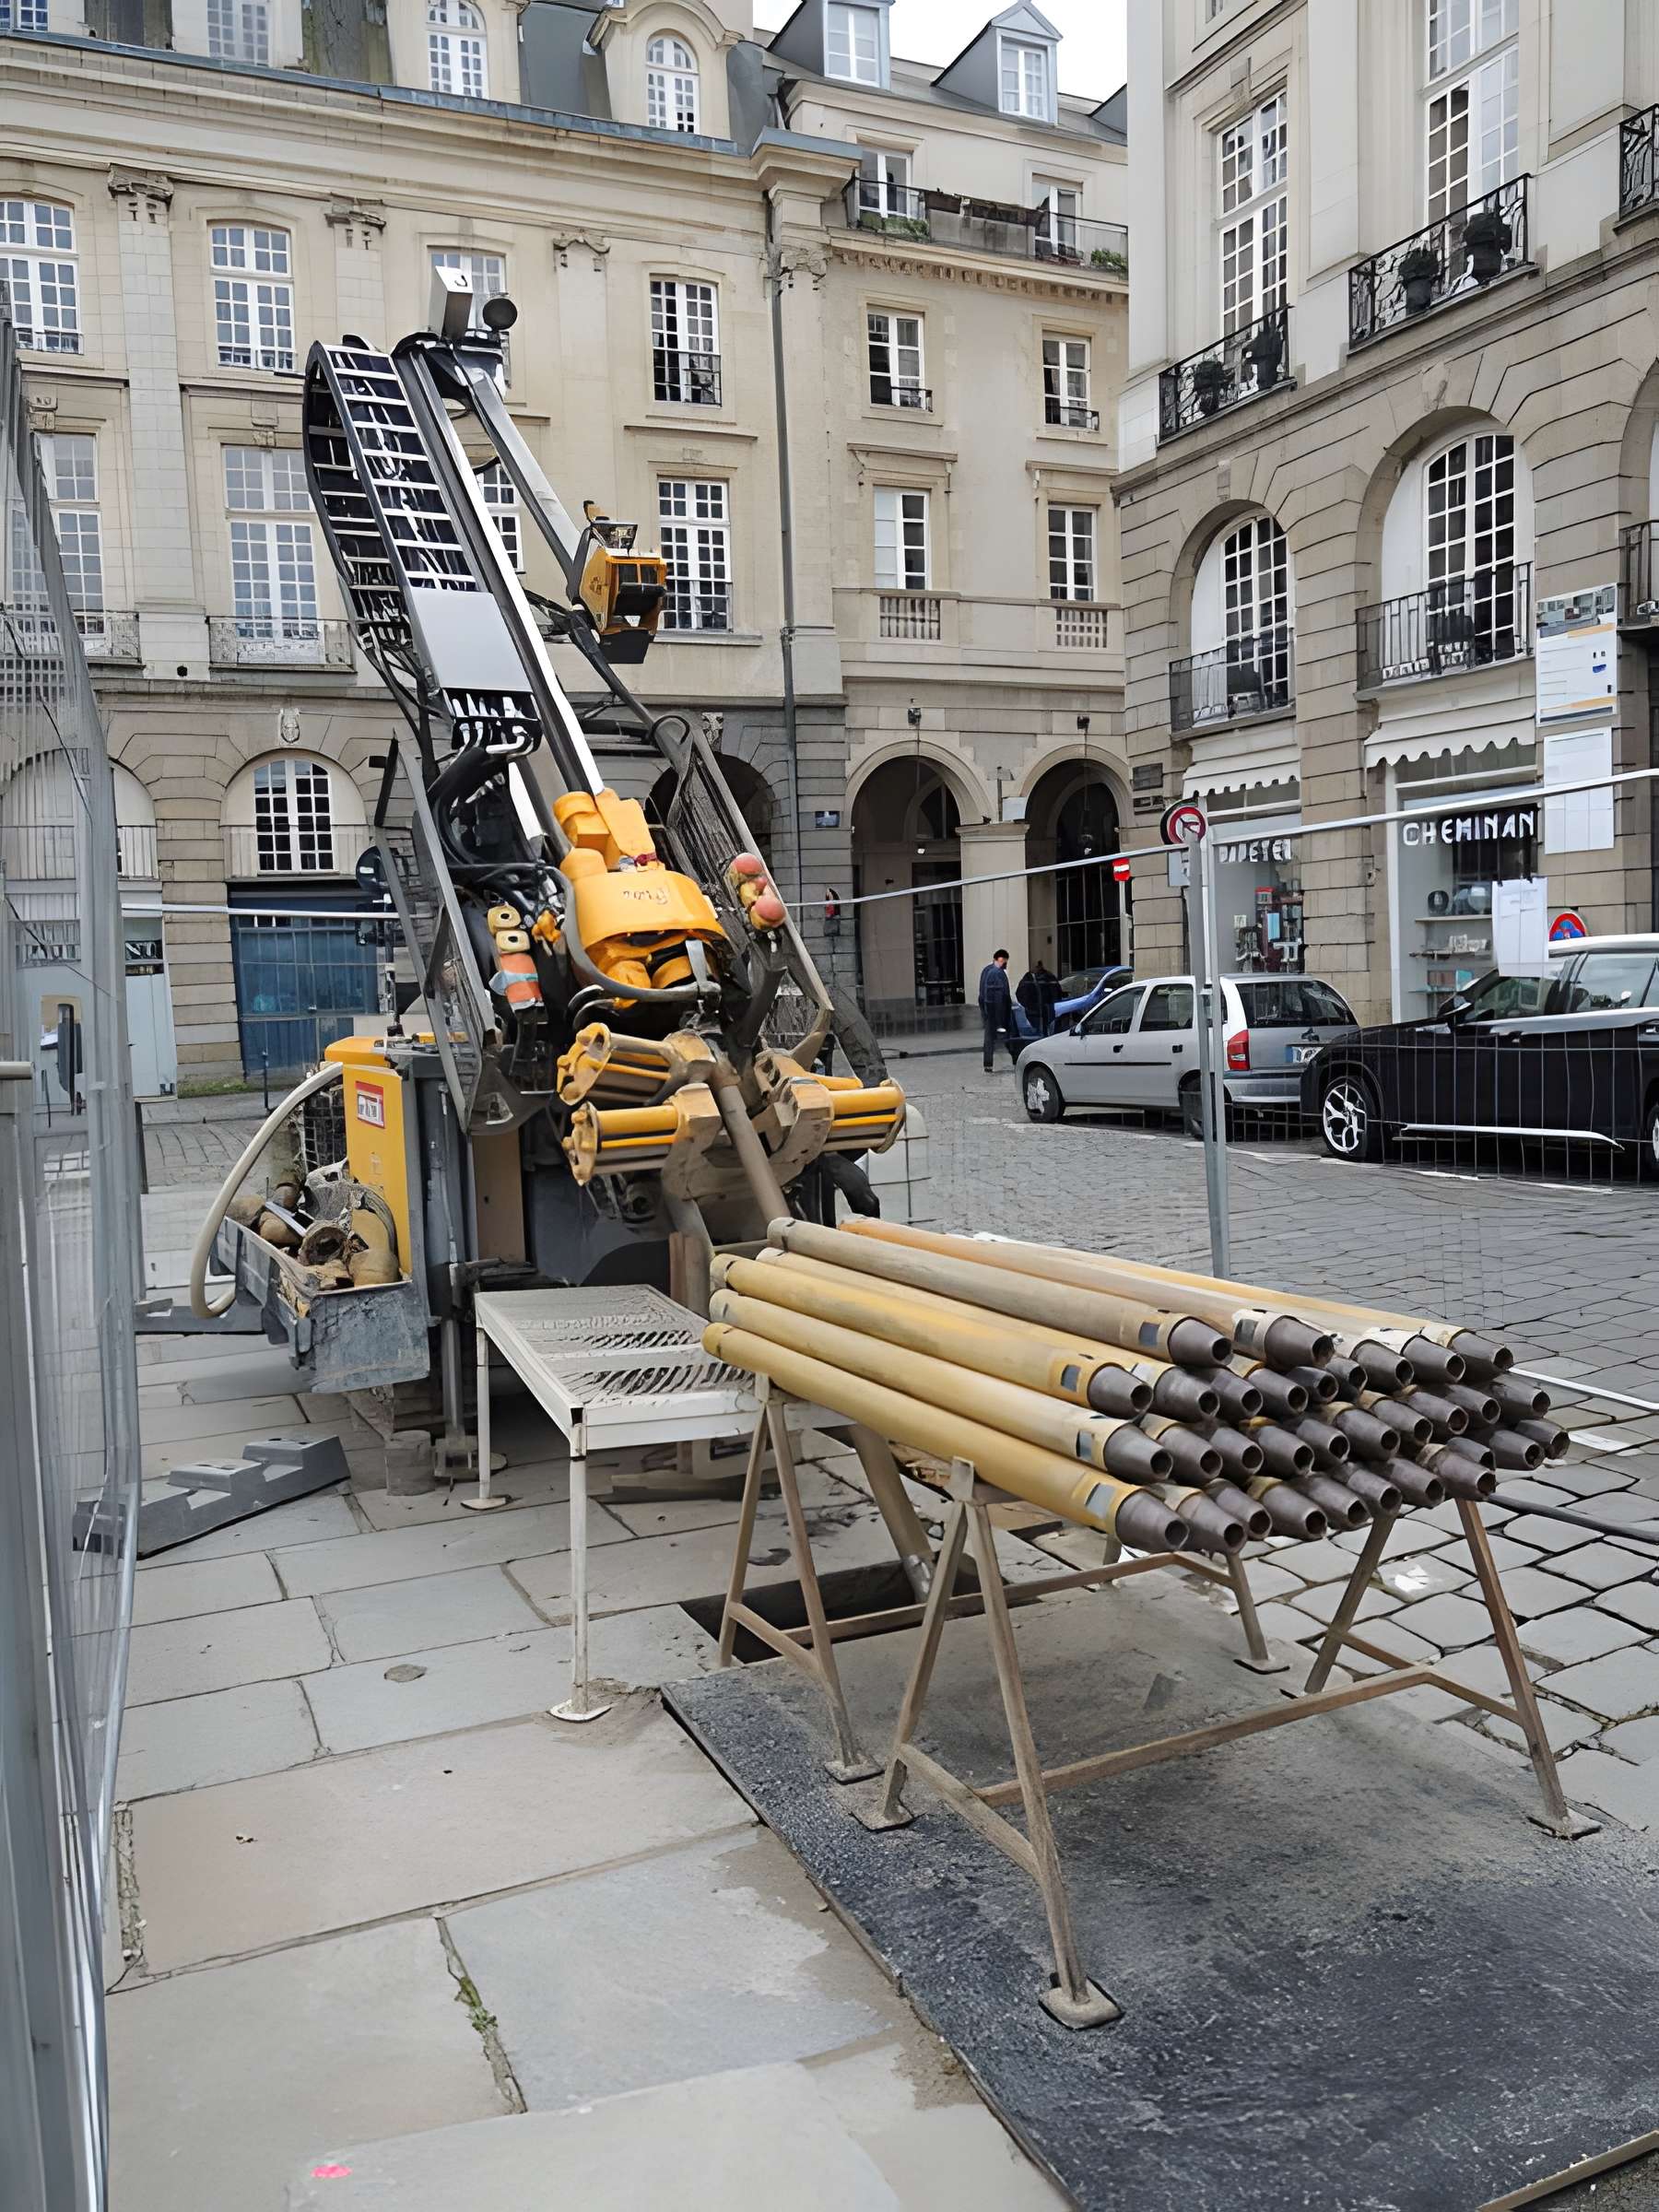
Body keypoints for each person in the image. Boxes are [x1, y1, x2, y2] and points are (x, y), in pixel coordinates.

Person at [978, 947, 1018, 1070]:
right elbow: (1000, 994)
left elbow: (982, 993)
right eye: (1005, 961)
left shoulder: (987, 970)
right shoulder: (997, 973)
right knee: (1009, 1034)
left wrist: (985, 1011)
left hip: (989, 1009)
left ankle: (988, 1064)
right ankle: (1016, 1059)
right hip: (998, 1009)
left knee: (989, 1037)